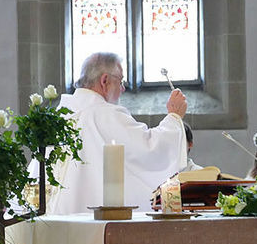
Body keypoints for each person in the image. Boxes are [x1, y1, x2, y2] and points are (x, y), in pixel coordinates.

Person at [49, 51, 188, 214]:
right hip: (94, 221)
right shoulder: (103, 114)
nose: (122, 88)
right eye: (120, 81)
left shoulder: (58, 116)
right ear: (104, 80)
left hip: (54, 218)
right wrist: (174, 117)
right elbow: (148, 149)